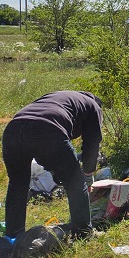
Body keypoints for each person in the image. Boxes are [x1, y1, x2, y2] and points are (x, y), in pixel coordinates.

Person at [2, 91, 103, 241]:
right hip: (47, 129)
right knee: (76, 181)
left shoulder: (59, 97)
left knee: (17, 184)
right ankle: (83, 232)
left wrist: (57, 170)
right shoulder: (94, 107)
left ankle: (13, 236)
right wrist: (88, 174)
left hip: (13, 129)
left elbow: (42, 150)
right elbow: (92, 144)